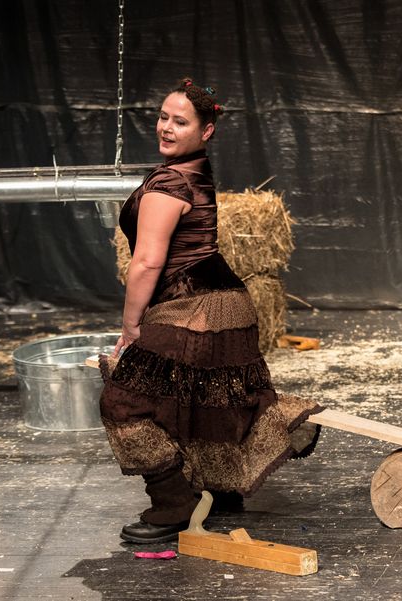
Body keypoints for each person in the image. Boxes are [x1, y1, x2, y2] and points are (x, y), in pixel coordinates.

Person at [99, 78, 322, 544]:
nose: (166, 127)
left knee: (124, 402)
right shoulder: (196, 170)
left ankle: (174, 503)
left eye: (180, 122)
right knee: (205, 397)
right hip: (231, 307)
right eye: (163, 117)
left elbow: (147, 261)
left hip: (195, 307)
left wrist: (131, 324)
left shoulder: (170, 182)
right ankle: (219, 491)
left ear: (206, 131)